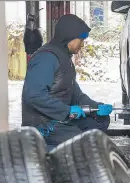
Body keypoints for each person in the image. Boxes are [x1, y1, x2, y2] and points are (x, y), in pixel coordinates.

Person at [21, 14, 113, 151]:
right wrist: (67, 111)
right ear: (69, 37)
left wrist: (96, 108)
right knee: (80, 143)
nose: (82, 44)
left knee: (100, 121)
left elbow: (75, 95)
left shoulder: (64, 58)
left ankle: (73, 153)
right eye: (81, 39)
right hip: (43, 124)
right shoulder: (46, 58)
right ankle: (50, 156)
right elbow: (34, 96)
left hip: (60, 117)